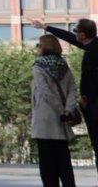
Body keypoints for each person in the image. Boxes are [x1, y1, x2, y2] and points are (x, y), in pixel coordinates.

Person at [33, 17, 98, 173]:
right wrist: (47, 27)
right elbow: (69, 37)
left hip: (94, 106)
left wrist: (88, 98)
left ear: (83, 35)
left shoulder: (94, 51)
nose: (74, 34)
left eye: (76, 31)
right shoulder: (92, 46)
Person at [31, 34, 77, 186]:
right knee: (64, 161)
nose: (38, 48)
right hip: (61, 122)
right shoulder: (64, 66)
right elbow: (72, 90)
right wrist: (67, 110)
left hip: (45, 121)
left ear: (44, 47)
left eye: (39, 45)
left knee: (47, 164)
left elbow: (45, 92)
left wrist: (59, 109)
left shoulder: (38, 67)